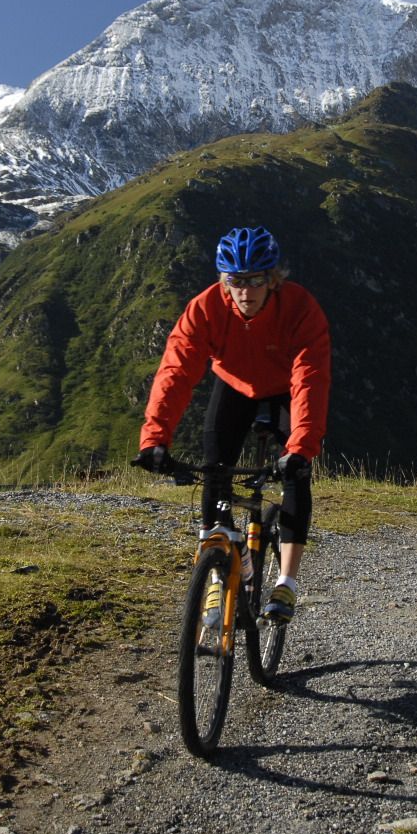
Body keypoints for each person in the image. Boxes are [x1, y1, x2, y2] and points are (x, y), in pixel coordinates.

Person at [135, 226, 330, 621]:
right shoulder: (206, 308)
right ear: (225, 280)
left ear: (272, 279)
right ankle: (216, 577)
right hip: (235, 386)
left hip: (284, 390)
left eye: (255, 280)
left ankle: (286, 583)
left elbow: (310, 378)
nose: (245, 291)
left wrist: (300, 447)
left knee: (295, 474)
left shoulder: (299, 308)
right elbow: (176, 371)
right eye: (236, 281)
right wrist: (155, 439)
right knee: (215, 469)